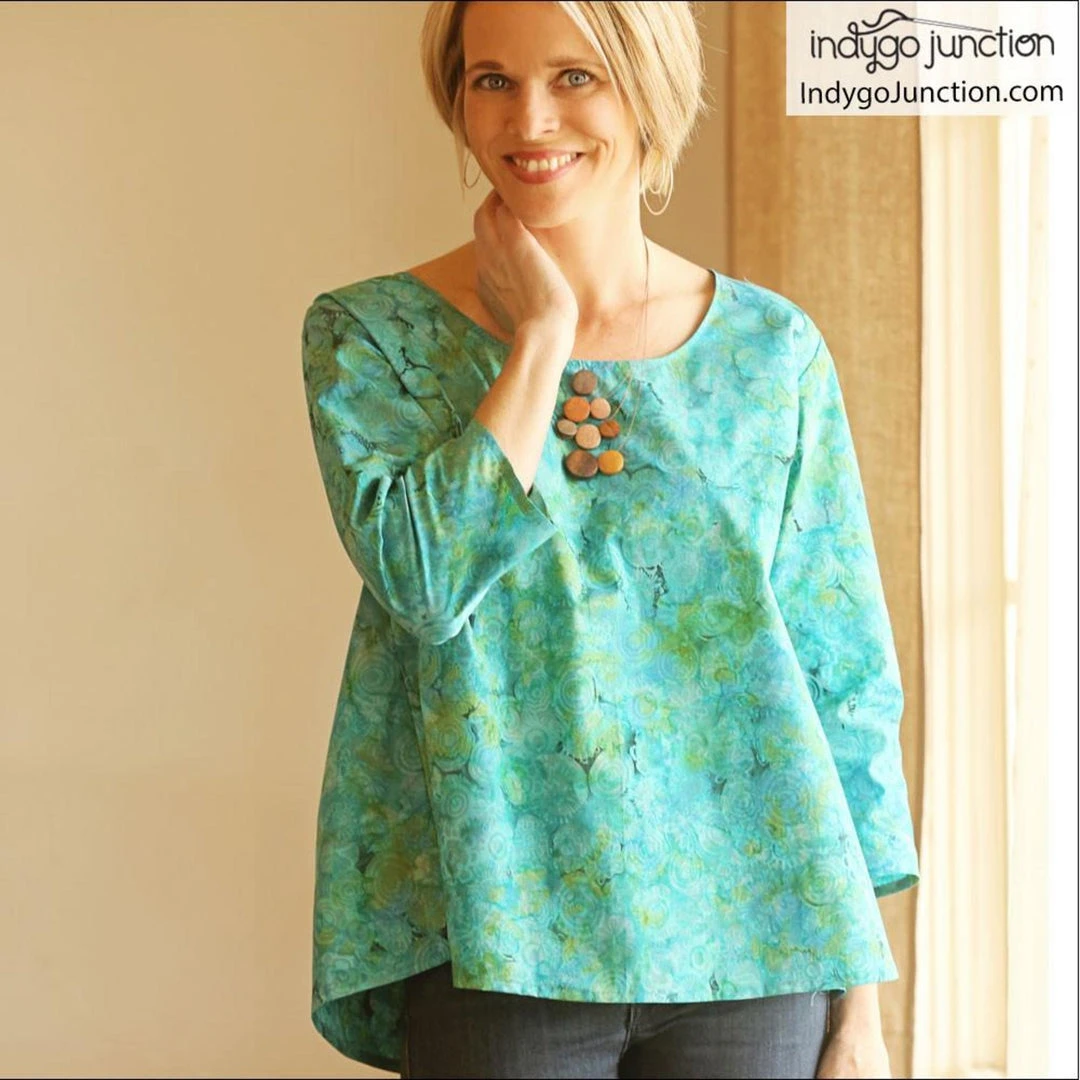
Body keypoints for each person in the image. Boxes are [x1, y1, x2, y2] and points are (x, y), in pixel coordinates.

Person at [300, 2, 920, 1077]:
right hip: (499, 936)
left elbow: (841, 676)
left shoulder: (772, 352)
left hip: (761, 941)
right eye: (492, 80)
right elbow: (425, 577)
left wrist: (858, 1010)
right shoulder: (373, 337)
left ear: (648, 87)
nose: (529, 118)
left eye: (574, 76)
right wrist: (542, 340)